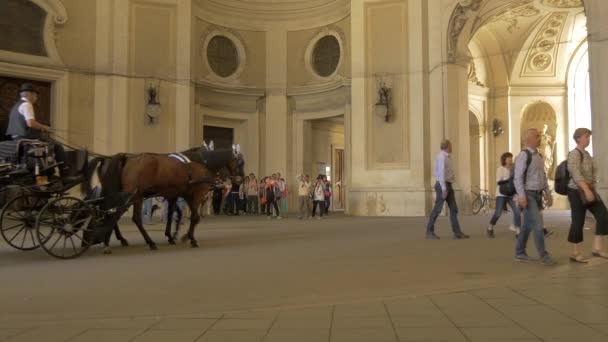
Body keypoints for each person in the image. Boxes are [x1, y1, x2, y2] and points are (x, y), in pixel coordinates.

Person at [5, 83, 74, 180]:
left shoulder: (15, 106)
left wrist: (40, 128)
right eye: (35, 95)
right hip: (26, 136)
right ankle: (65, 174)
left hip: (16, 137)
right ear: (30, 94)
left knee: (48, 142)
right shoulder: (27, 104)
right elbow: (31, 123)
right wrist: (45, 127)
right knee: (57, 146)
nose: (36, 98)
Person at [514, 128, 556, 266]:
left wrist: (547, 193)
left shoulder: (539, 156)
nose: (539, 138)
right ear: (529, 139)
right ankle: (543, 255)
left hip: (537, 195)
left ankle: (520, 252)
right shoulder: (523, 156)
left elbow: (542, 176)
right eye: (537, 136)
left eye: (539, 136)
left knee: (526, 226)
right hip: (528, 195)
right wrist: (521, 196)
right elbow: (517, 178)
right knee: (538, 225)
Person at [566, 128, 608, 263]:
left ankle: (597, 248)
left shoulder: (587, 154)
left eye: (589, 137)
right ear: (578, 138)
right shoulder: (574, 153)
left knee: (603, 215)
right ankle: (575, 252)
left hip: (589, 188)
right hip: (577, 191)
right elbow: (575, 172)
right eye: (586, 136)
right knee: (578, 221)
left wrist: (592, 187)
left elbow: (592, 172)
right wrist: (586, 189)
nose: (588, 139)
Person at [425, 140, 469, 239]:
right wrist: (444, 189)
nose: (452, 147)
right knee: (437, 209)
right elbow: (441, 174)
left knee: (454, 209)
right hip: (442, 186)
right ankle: (429, 231)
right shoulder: (442, 157)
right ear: (448, 146)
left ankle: (457, 232)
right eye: (451, 145)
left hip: (448, 185)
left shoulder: (447, 157)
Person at [487, 152, 521, 238]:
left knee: (517, 211)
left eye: (511, 158)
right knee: (498, 213)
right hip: (501, 193)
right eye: (508, 158)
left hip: (512, 194)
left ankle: (518, 231)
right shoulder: (500, 169)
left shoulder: (514, 169)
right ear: (504, 160)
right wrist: (509, 179)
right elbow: (498, 182)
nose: (510, 160)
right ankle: (490, 227)